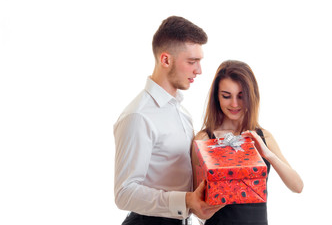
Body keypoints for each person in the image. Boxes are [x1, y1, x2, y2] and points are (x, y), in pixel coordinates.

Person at [114, 16, 224, 225]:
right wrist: (185, 200)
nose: (198, 70)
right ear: (166, 60)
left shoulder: (182, 113)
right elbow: (124, 193)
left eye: (199, 62)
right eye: (192, 62)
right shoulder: (138, 116)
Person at [191, 60, 304, 225]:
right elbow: (198, 208)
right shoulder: (204, 140)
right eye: (226, 96)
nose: (234, 104)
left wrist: (267, 154)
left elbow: (297, 186)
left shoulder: (264, 137)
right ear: (217, 97)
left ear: (251, 96)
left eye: (241, 96)